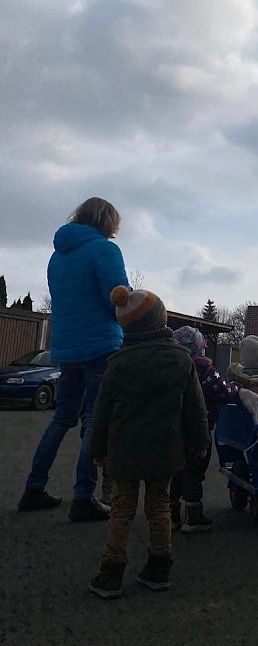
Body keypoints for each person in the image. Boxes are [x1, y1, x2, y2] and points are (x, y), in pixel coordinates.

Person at [88, 287, 210, 600]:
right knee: (159, 507)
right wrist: (200, 441)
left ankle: (111, 573)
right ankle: (158, 568)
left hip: (124, 451)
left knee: (121, 509)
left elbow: (102, 412)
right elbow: (195, 407)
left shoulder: (117, 363)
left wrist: (98, 449)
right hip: (165, 449)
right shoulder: (181, 359)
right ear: (160, 320)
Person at [19, 197, 129, 522]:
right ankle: (84, 497)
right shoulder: (105, 251)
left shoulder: (58, 256)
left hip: (67, 347)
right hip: (101, 345)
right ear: (107, 221)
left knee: (61, 418)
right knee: (95, 420)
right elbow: (117, 298)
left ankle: (33, 488)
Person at [170, 326, 239, 533]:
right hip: (198, 430)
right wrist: (236, 387)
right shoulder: (205, 369)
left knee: (175, 472)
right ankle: (193, 518)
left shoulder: (170, 368)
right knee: (194, 472)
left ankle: (170, 517)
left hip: (173, 430)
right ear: (200, 347)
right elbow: (224, 393)